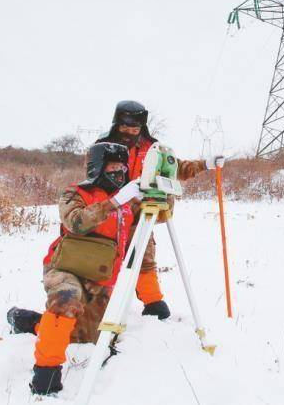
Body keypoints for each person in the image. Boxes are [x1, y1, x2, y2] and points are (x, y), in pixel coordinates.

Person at [7, 142, 144, 395]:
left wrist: (157, 192)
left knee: (83, 336)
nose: (119, 173)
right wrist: (114, 202)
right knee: (66, 300)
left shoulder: (129, 202)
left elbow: (162, 211)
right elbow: (76, 222)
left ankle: (28, 321)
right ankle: (45, 375)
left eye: (122, 168)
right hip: (66, 268)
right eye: (112, 168)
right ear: (98, 168)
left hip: (99, 276)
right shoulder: (75, 193)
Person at [95, 100, 225, 320]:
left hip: (142, 214)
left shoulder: (152, 148)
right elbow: (92, 174)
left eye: (134, 128)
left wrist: (206, 164)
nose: (129, 132)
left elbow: (177, 168)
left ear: (142, 127)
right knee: (104, 258)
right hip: (111, 213)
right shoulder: (103, 147)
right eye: (124, 127)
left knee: (145, 257)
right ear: (116, 123)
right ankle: (99, 302)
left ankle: (152, 300)